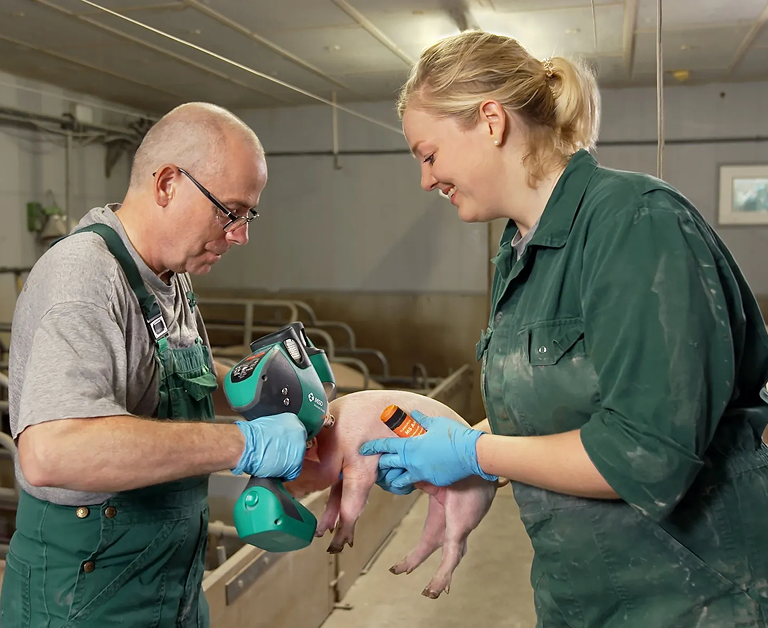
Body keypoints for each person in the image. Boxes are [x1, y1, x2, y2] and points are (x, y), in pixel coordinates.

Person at [361, 31, 768, 627]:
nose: (426, 180)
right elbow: (563, 407)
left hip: (695, 596)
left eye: (429, 155)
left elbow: (648, 454)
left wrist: (477, 452)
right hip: (586, 592)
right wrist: (473, 464)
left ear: (492, 121)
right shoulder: (521, 251)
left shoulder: (634, 223)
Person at [1, 102, 308, 627]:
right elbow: (53, 451)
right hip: (84, 595)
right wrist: (244, 443)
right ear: (167, 183)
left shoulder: (170, 277)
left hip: (169, 584)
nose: (240, 234)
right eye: (229, 210)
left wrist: (259, 391)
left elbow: (165, 384)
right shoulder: (84, 277)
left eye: (247, 214)